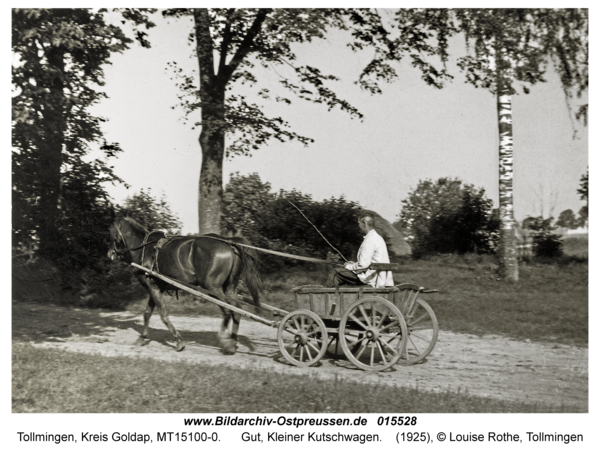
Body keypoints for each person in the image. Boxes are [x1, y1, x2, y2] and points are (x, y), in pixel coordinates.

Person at [327, 213, 394, 288]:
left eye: (359, 224)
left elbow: (363, 264)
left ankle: (330, 298)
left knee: (335, 273)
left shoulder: (370, 240)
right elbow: (369, 262)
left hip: (370, 279)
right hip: (380, 278)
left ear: (364, 223)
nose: (359, 227)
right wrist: (354, 264)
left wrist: (348, 266)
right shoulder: (378, 238)